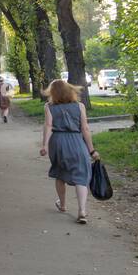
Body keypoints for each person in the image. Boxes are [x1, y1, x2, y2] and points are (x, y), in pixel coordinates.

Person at [40, 78, 99, 224]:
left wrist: (45, 146)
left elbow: (48, 126)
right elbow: (84, 129)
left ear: (52, 93)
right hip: (76, 142)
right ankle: (82, 210)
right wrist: (91, 150)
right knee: (81, 174)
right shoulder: (80, 106)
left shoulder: (49, 106)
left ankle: (63, 205)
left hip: (58, 142)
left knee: (60, 173)